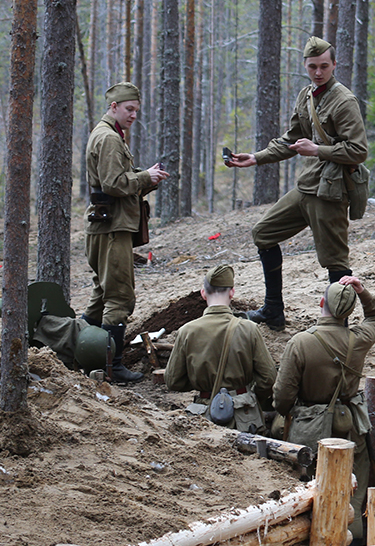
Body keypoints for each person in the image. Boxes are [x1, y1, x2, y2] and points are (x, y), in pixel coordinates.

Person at [227, 37, 369, 332]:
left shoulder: (344, 101)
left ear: (334, 65)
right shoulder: (307, 95)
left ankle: (337, 326)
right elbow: (291, 140)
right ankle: (273, 311)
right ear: (305, 66)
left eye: (324, 66)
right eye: (313, 67)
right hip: (306, 187)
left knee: (335, 261)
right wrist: (254, 158)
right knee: (263, 234)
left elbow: (358, 150)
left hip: (331, 191)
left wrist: (318, 150)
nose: (318, 72)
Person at [274, 275, 375, 544]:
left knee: (311, 491)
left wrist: (288, 411)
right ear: (349, 312)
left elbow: (282, 397)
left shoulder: (300, 342)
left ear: (321, 302)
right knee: (353, 494)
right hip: (351, 427)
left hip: (309, 430)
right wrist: (363, 292)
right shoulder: (358, 339)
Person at [84, 82, 170, 383]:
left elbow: (118, 180)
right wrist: (144, 176)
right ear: (113, 107)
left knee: (101, 295)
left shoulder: (111, 135)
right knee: (119, 297)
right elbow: (112, 184)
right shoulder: (108, 138)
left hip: (107, 225)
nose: (133, 115)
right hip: (112, 228)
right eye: (128, 109)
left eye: (136, 110)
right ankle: (112, 366)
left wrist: (148, 179)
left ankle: (83, 352)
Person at [165, 265, 278, 433]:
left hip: (203, 416)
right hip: (245, 417)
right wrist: (249, 396)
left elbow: (173, 380)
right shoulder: (249, 329)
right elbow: (268, 378)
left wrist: (201, 384)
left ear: (203, 293)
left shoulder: (186, 331)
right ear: (232, 292)